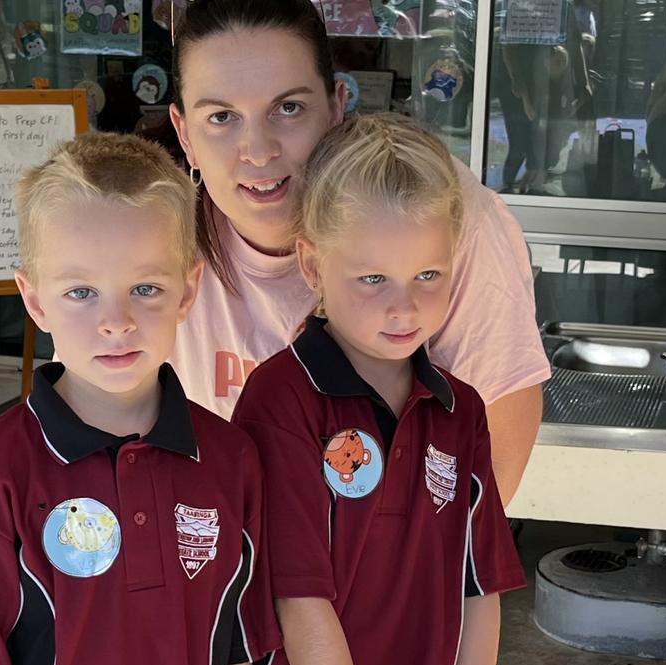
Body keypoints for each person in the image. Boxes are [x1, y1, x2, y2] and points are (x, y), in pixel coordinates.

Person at [0, 133, 278, 665]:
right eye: (81, 292)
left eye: (145, 289)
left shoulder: (230, 460)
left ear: (188, 291)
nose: (116, 322)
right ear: (35, 301)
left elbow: (239, 644)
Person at [161, 0, 550, 505]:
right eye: (221, 117)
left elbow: (500, 410)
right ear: (184, 134)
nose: (257, 150)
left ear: (337, 105)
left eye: (289, 108)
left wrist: (440, 575)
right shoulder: (153, 235)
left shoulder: (430, 206)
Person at [232, 113, 525, 665]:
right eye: (373, 278)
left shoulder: (459, 410)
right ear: (313, 265)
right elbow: (298, 597)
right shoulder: (281, 399)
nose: (405, 305)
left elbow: (480, 589)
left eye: (428, 275)